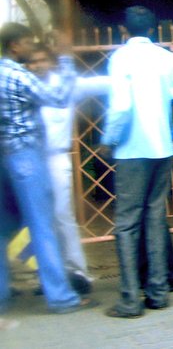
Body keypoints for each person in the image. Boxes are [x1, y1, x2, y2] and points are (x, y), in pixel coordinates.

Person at [100, 6, 173, 318]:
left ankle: (130, 299)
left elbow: (121, 107)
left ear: (122, 31)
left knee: (127, 224)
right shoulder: (166, 57)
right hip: (162, 149)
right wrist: (171, 133)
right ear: (153, 30)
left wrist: (108, 140)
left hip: (131, 151)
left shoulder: (120, 58)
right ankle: (158, 292)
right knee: (155, 218)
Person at [0, 23, 97, 314]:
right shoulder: (16, 74)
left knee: (3, 229)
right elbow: (57, 98)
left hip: (3, 157)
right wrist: (66, 59)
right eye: (28, 42)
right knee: (43, 227)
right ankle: (61, 297)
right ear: (15, 46)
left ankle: (2, 292)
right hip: (26, 158)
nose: (33, 46)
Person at [26, 43, 110, 295]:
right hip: (29, 160)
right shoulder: (25, 87)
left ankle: (78, 273)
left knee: (63, 218)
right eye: (32, 61)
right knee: (39, 221)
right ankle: (50, 275)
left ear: (51, 62)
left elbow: (105, 84)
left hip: (56, 158)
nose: (37, 65)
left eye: (41, 60)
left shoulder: (65, 86)